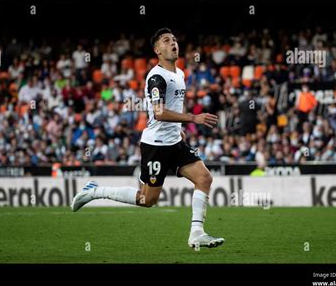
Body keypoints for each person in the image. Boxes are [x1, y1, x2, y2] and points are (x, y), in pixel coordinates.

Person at [71, 28, 224, 249]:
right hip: (156, 146)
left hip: (174, 142)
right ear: (157, 50)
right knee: (146, 199)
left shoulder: (179, 74)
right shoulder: (156, 77)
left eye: (174, 39)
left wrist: (178, 128)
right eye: (166, 40)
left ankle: (197, 233)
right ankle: (94, 192)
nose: (173, 43)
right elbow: (159, 112)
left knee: (204, 179)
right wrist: (193, 118)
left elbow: (167, 110)